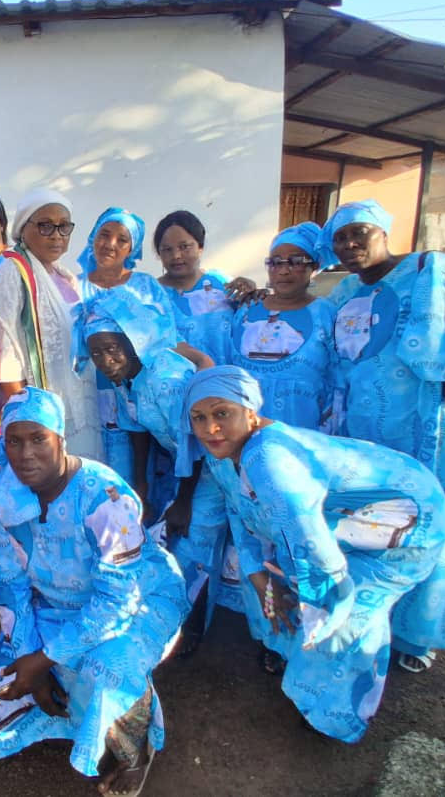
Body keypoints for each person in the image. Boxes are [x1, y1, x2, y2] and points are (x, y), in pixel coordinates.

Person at [180, 366, 445, 742]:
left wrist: (325, 604)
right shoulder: (223, 454)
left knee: (348, 617)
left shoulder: (270, 459)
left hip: (407, 522)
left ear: (250, 411)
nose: (210, 428)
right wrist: (259, 577)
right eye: (199, 418)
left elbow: (308, 539)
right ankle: (294, 655)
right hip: (343, 520)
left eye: (221, 413)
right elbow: (239, 510)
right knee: (274, 582)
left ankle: (336, 710)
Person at [324, 200, 445, 674]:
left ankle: (417, 633)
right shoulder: (345, 290)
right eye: (340, 238)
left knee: (436, 524)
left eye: (359, 233)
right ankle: (374, 617)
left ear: (384, 231)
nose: (349, 245)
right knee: (377, 525)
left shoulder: (430, 271)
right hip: (368, 440)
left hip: (429, 433)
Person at [0, 387, 187, 796]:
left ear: (61, 438)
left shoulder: (105, 497)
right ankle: (77, 722)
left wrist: (44, 658)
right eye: (14, 441)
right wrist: (27, 656)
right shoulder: (5, 494)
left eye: (38, 439)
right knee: (1, 684)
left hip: (139, 601)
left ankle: (134, 752)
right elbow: (9, 581)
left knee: (109, 668)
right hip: (58, 602)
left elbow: (117, 602)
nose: (25, 454)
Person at [77, 297, 227, 657]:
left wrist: (185, 502)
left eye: (112, 349)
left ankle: (191, 632)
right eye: (96, 353)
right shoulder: (124, 376)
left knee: (192, 545)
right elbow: (135, 427)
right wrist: (141, 484)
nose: (105, 361)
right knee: (162, 542)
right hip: (182, 464)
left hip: (214, 464)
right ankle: (168, 621)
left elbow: (198, 439)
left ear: (132, 343)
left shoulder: (166, 379)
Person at [0, 188, 103, 460]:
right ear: (24, 229)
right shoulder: (13, 274)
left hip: (79, 402)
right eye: (46, 226)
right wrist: (30, 420)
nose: (57, 235)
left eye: (64, 227)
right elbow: (5, 361)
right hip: (41, 415)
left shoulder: (64, 276)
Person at [229, 221, 337, 430]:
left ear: (313, 267)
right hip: (243, 433)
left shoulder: (326, 314)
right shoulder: (246, 309)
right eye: (275, 262)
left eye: (295, 262)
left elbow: (338, 378)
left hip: (302, 433)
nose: (283, 271)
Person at [153, 210, 256, 356]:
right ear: (159, 253)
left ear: (200, 247)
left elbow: (250, 327)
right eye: (167, 249)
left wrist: (251, 293)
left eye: (184, 247)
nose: (176, 255)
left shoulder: (223, 285)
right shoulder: (151, 295)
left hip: (226, 376)